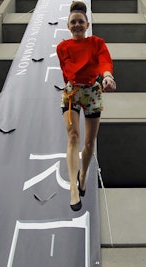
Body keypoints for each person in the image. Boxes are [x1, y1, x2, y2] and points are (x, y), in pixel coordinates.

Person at [56, 1, 116, 211]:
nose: (77, 25)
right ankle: (73, 188)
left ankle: (83, 174)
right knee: (73, 136)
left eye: (80, 21)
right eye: (73, 22)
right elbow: (65, 71)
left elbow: (104, 62)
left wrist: (107, 76)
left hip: (92, 92)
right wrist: (70, 85)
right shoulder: (62, 47)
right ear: (68, 26)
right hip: (72, 92)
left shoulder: (96, 43)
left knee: (89, 143)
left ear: (87, 24)